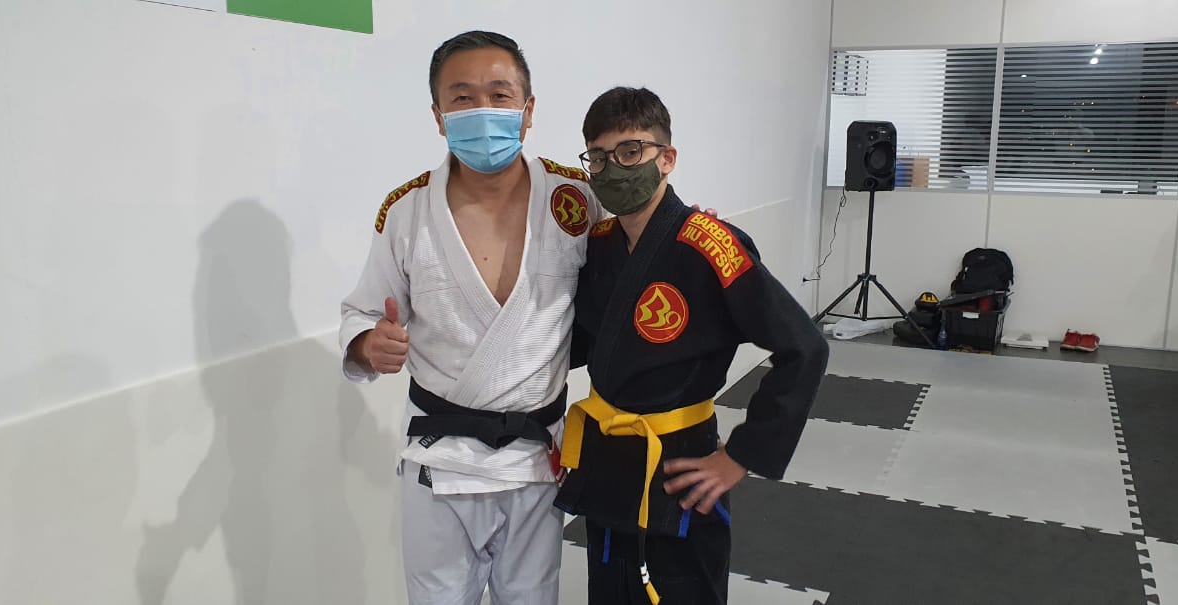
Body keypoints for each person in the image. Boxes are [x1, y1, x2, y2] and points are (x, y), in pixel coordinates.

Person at [339, 31, 604, 605]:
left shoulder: (576, 198)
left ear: (528, 110)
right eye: (462, 97)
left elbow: (639, 248)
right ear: (438, 116)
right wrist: (368, 344)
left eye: (500, 94)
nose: (483, 110)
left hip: (537, 459)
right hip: (440, 461)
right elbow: (362, 312)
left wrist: (684, 227)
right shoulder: (407, 211)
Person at [555, 87, 831, 605]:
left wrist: (741, 455)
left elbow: (804, 348)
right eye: (599, 156)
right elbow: (588, 342)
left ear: (667, 158)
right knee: (611, 588)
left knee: (681, 588)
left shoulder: (711, 243)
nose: (614, 167)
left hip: (680, 463)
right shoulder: (599, 244)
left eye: (631, 151)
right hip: (608, 459)